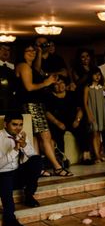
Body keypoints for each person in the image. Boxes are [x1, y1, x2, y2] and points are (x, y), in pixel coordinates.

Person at [15, 42, 73, 177]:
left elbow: (37, 67)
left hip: (34, 104)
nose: (32, 53)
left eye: (33, 51)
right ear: (21, 53)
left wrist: (39, 52)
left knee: (36, 138)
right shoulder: (23, 66)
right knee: (46, 136)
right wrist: (46, 83)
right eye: (28, 51)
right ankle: (57, 167)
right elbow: (29, 87)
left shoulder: (30, 66)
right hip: (31, 106)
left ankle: (38, 168)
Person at [1, 112, 43, 226]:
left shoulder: (21, 136)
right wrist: (14, 150)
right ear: (5, 124)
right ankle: (9, 220)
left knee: (37, 160)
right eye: (14, 124)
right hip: (2, 175)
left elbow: (32, 155)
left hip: (16, 174)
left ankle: (29, 196)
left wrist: (24, 144)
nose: (18, 128)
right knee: (5, 177)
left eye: (20, 125)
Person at [44, 77, 90, 164]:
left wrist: (77, 120)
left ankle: (86, 155)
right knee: (57, 132)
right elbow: (47, 112)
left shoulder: (72, 94)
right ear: (52, 86)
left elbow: (80, 109)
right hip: (58, 121)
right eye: (56, 84)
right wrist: (57, 122)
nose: (60, 85)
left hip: (73, 120)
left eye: (62, 83)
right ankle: (62, 158)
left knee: (82, 127)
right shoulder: (50, 97)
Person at [84, 68, 105, 163]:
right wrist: (89, 114)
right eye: (95, 74)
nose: (97, 76)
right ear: (91, 76)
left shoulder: (101, 86)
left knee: (99, 134)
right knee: (94, 134)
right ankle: (97, 156)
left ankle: (99, 154)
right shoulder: (88, 88)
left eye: (99, 74)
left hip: (100, 111)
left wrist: (103, 100)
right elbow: (85, 103)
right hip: (92, 112)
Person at [0, 42, 17, 113]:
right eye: (3, 49)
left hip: (11, 101)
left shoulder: (13, 66)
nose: (6, 52)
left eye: (8, 50)